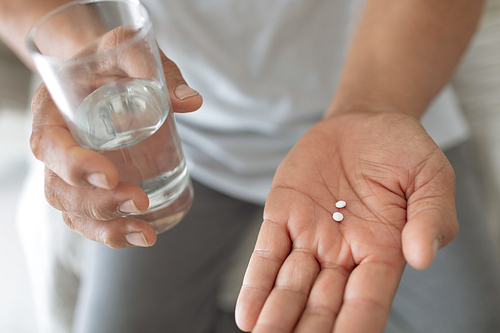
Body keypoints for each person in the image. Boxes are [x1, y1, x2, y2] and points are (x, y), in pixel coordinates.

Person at [2, 0, 500, 332]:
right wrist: (88, 61)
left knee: (472, 321)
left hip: (386, 98)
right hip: (179, 129)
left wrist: (371, 107)